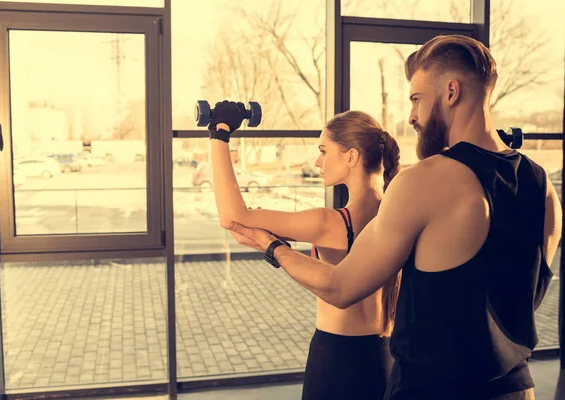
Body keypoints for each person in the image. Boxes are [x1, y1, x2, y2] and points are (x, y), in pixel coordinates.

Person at [227, 34, 562, 400]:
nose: (412, 116)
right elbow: (521, 302)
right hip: (516, 391)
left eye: (417, 99)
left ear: (451, 92)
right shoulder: (544, 188)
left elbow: (340, 287)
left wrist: (272, 246)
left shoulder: (423, 181)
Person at [206, 103, 401, 399]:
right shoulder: (399, 215)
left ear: (351, 157)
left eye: (324, 151)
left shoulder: (331, 223)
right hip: (386, 358)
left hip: (337, 360)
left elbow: (231, 217)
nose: (318, 162)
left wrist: (219, 132)